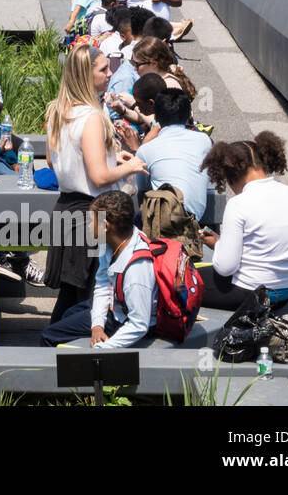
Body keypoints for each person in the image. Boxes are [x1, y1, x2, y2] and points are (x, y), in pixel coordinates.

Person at [43, 45, 149, 321]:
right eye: (103, 69)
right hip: (91, 214)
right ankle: (69, 351)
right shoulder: (91, 118)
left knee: (70, 296)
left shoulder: (58, 111)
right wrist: (130, 165)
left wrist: (111, 156)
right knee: (90, 299)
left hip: (66, 208)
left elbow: (54, 161)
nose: (110, 73)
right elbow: (99, 177)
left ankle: (52, 347)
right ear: (85, 75)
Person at [197, 132, 288, 310]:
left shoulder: (238, 204)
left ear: (231, 176)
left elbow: (225, 268)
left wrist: (219, 246)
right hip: (287, 290)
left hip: (252, 293)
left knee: (183, 281)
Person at [40, 190, 156, 348]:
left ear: (105, 226)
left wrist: (101, 349)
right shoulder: (110, 242)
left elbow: (139, 325)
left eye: (90, 221)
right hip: (116, 306)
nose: (87, 225)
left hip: (127, 320)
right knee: (68, 314)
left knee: (48, 336)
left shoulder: (136, 270)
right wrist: (97, 326)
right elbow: (102, 284)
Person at [135, 89, 212, 227]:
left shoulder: (145, 150)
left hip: (163, 220)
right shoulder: (204, 140)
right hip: (195, 218)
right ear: (188, 115)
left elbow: (142, 189)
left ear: (156, 117)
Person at [131, 37, 196, 98]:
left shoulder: (168, 87)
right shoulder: (157, 81)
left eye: (137, 64)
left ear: (154, 64)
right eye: (132, 62)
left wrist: (132, 105)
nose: (134, 68)